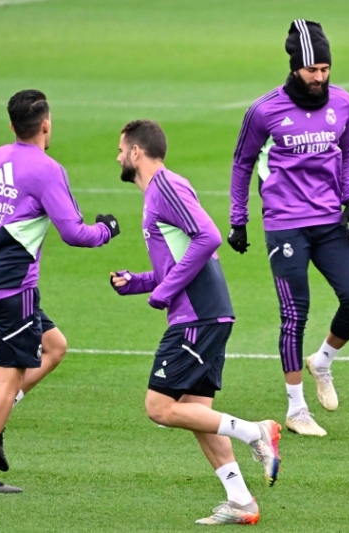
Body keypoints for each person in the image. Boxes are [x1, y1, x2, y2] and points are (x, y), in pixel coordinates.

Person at [0, 89, 120, 493]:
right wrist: (107, 230)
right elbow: (75, 234)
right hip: (12, 289)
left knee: (54, 347)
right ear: (46, 125)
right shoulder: (47, 169)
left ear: (12, 125)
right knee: (10, 373)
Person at [109, 120, 281, 525]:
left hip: (197, 317)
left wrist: (165, 293)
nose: (118, 156)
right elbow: (177, 262)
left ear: (136, 152)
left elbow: (208, 237)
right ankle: (242, 501)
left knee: (159, 406)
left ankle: (255, 431)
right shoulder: (159, 193)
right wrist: (138, 282)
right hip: (206, 313)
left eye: (121, 149)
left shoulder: (165, 187)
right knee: (195, 413)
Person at [228, 20, 349, 435]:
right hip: (285, 225)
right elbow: (242, 165)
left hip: (330, 221)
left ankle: (322, 360)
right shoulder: (264, 111)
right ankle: (296, 410)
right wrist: (239, 220)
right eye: (312, 70)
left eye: (325, 69)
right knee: (294, 314)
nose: (320, 78)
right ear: (295, 68)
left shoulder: (343, 103)